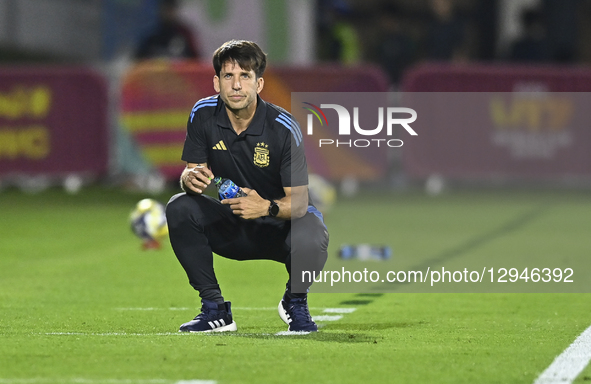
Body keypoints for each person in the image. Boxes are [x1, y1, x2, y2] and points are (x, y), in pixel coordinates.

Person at [165, 40, 329, 333]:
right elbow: (192, 172)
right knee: (179, 206)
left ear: (259, 84)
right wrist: (189, 179)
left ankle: (295, 301)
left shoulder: (283, 127)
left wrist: (265, 206)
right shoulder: (202, 114)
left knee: (314, 228)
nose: (237, 85)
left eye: (245, 76)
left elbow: (300, 203)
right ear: (217, 82)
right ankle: (214, 310)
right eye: (229, 76)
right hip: (232, 225)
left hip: (278, 229)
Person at [134, 0, 199, 60]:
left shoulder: (185, 34)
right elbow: (138, 62)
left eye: (171, 9)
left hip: (178, 72)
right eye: (166, 8)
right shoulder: (151, 36)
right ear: (160, 10)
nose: (168, 12)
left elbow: (197, 62)